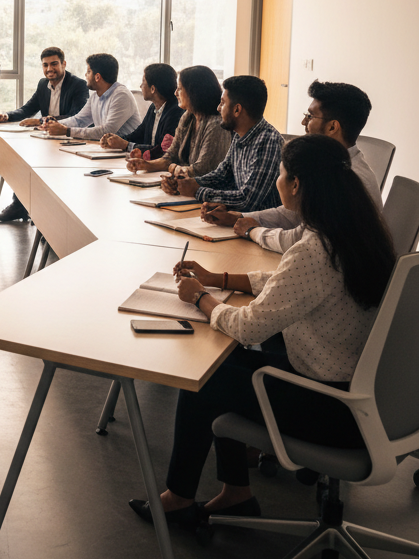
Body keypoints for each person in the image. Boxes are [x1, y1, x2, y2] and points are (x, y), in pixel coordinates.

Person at [129, 134, 395, 527]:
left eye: (282, 173)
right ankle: (235, 493)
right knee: (225, 365)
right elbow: (284, 281)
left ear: (297, 184)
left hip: (329, 409)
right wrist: (218, 276)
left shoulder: (315, 248)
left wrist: (200, 296)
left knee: (202, 379)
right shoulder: (357, 233)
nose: (278, 179)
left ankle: (178, 500)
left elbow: (247, 326)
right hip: (362, 397)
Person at [203, 80, 383, 252]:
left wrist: (253, 231)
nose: (304, 123)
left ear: (332, 127)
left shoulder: (347, 179)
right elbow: (296, 213)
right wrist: (241, 217)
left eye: (310, 116)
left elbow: (301, 240)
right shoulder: (329, 165)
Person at [0, 46, 87, 222]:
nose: (49, 69)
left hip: (69, 138)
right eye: (45, 65)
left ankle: (46, 214)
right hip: (47, 138)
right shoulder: (43, 84)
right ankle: (20, 207)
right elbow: (29, 108)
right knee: (22, 160)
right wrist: (6, 116)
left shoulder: (78, 85)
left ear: (64, 64)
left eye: (54, 64)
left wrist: (41, 121)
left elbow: (77, 116)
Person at [161, 74, 283, 212]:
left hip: (261, 227)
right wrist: (187, 182)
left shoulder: (268, 142)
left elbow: (248, 200)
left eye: (223, 103)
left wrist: (197, 191)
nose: (218, 108)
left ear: (237, 109)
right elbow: (221, 175)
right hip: (236, 221)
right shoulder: (239, 135)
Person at [122, 65, 231, 179]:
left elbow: (203, 169)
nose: (175, 93)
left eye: (179, 89)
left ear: (194, 92)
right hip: (185, 184)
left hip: (203, 189)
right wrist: (146, 165)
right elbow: (171, 156)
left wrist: (173, 169)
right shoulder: (187, 117)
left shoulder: (215, 125)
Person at [43, 53, 141, 141]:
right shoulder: (95, 96)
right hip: (107, 150)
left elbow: (107, 131)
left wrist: (67, 131)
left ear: (97, 77)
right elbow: (79, 120)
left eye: (88, 72)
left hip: (127, 154)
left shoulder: (121, 95)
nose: (86, 75)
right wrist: (54, 124)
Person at [100, 63, 182, 160]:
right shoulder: (153, 107)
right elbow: (137, 135)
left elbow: (162, 150)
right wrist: (114, 139)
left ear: (152, 89)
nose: (140, 86)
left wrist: (126, 145)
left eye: (143, 82)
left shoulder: (175, 112)